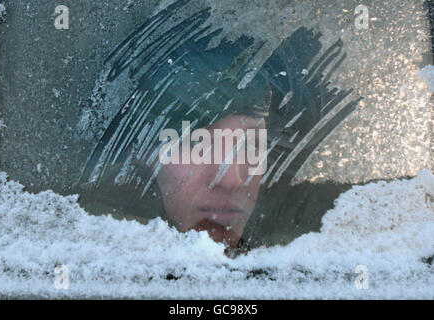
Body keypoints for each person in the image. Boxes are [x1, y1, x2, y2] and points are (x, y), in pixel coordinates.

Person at [77, 0, 360, 252]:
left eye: (251, 146)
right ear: (137, 152)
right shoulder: (67, 247)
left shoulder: (338, 247)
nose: (232, 180)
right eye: (197, 144)